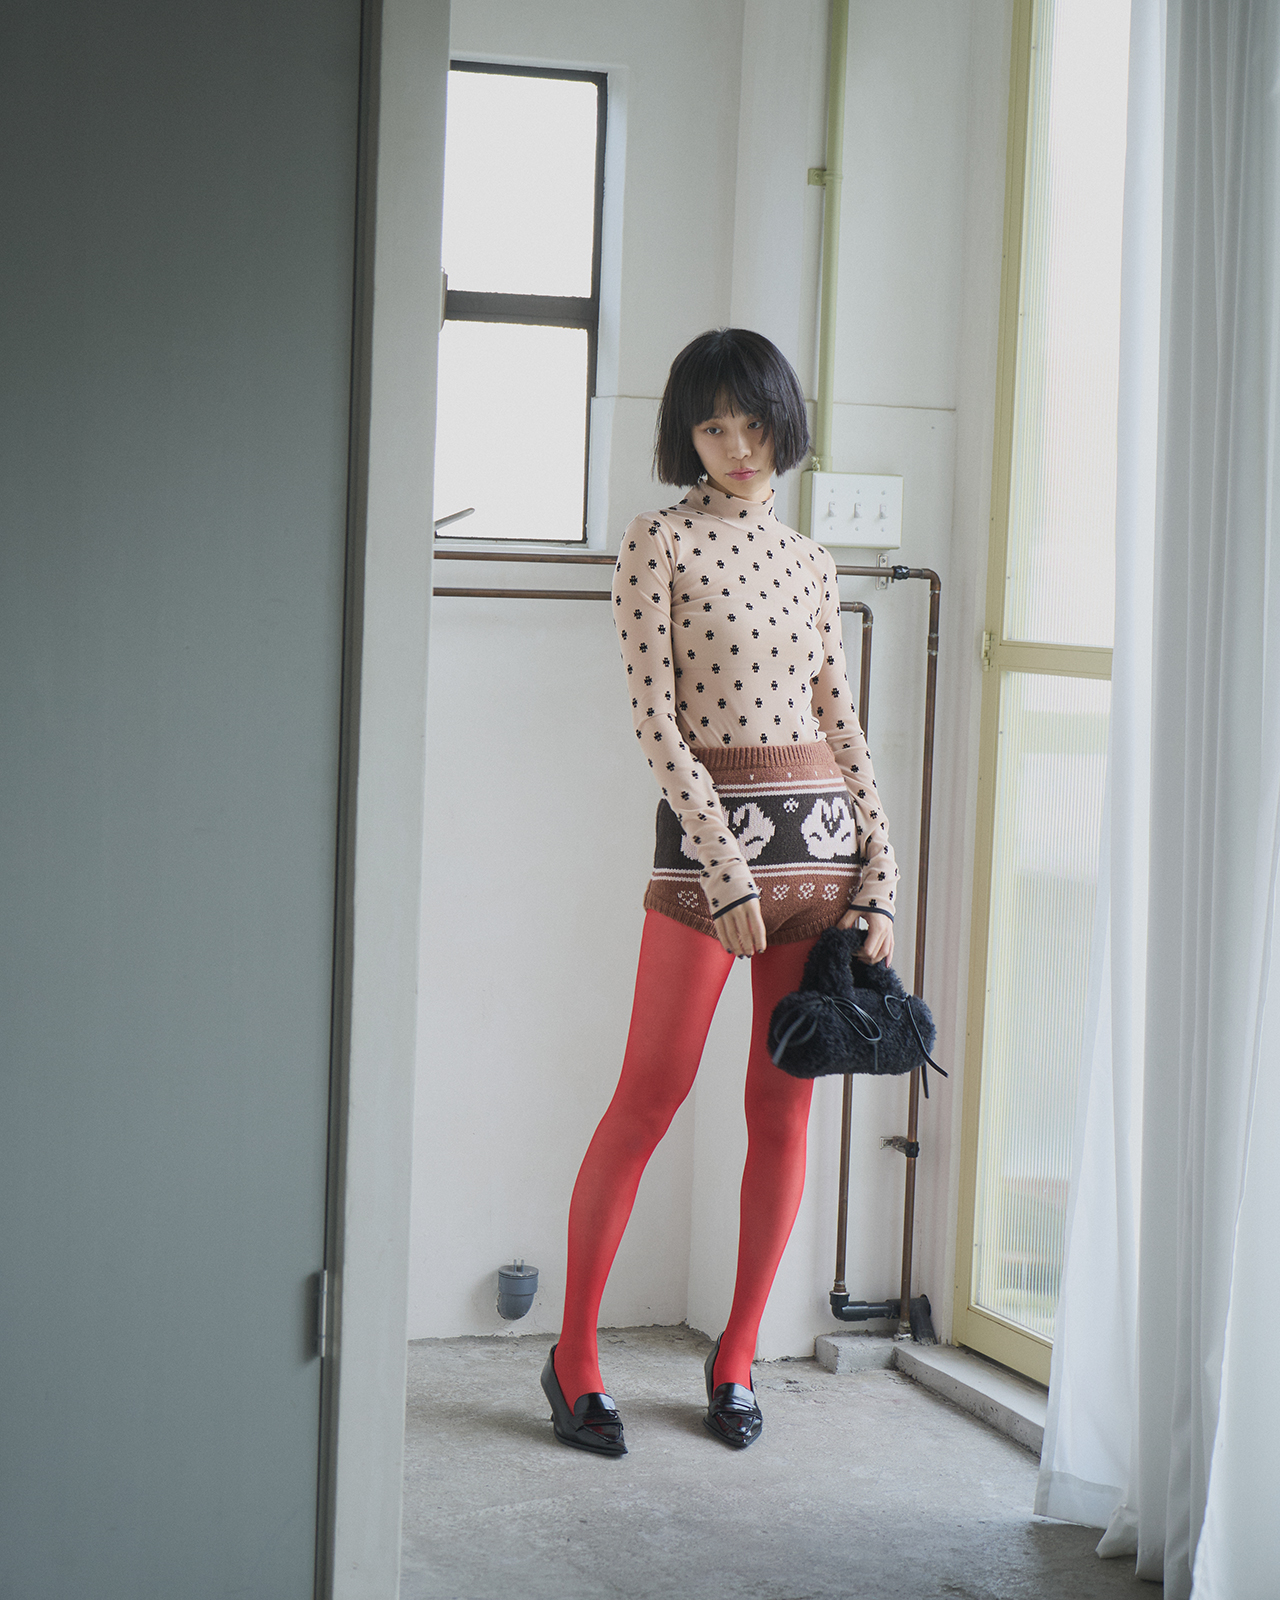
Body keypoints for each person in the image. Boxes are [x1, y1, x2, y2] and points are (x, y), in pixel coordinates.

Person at [540, 327, 899, 1456]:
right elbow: (657, 723)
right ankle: (574, 1357)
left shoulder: (809, 561)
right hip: (711, 864)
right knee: (646, 1099)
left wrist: (881, 873)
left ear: (782, 424)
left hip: (821, 859)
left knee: (781, 1110)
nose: (738, 447)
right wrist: (725, 865)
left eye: (753, 424)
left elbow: (840, 722)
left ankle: (736, 1356)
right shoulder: (656, 543)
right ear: (684, 436)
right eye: (713, 427)